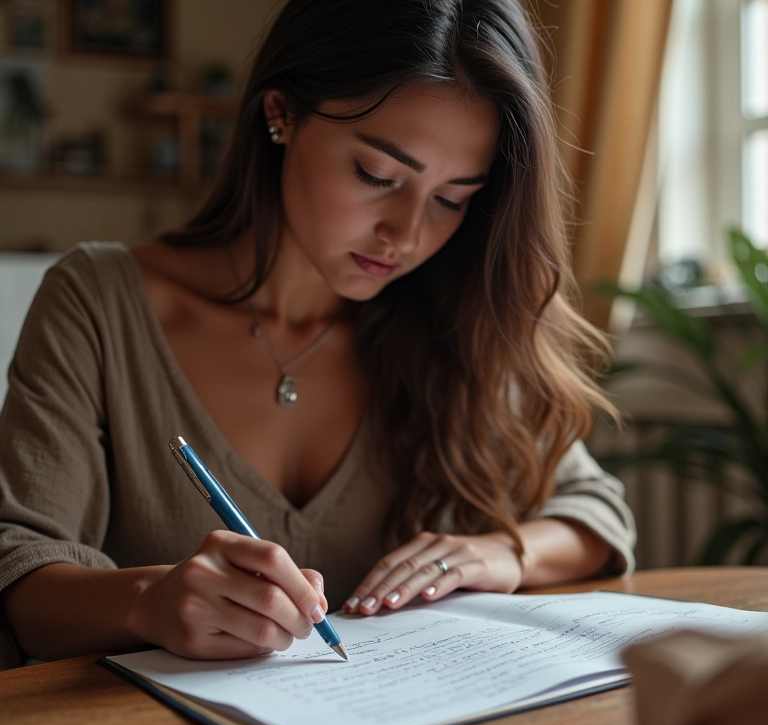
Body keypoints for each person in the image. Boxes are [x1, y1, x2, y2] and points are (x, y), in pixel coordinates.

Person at [0, 0, 635, 671]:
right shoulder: (98, 302)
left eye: (452, 198)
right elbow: (19, 573)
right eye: (378, 176)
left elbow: (595, 512)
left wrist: (505, 552)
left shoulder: (457, 319)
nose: (408, 236)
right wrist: (147, 601)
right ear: (281, 114)